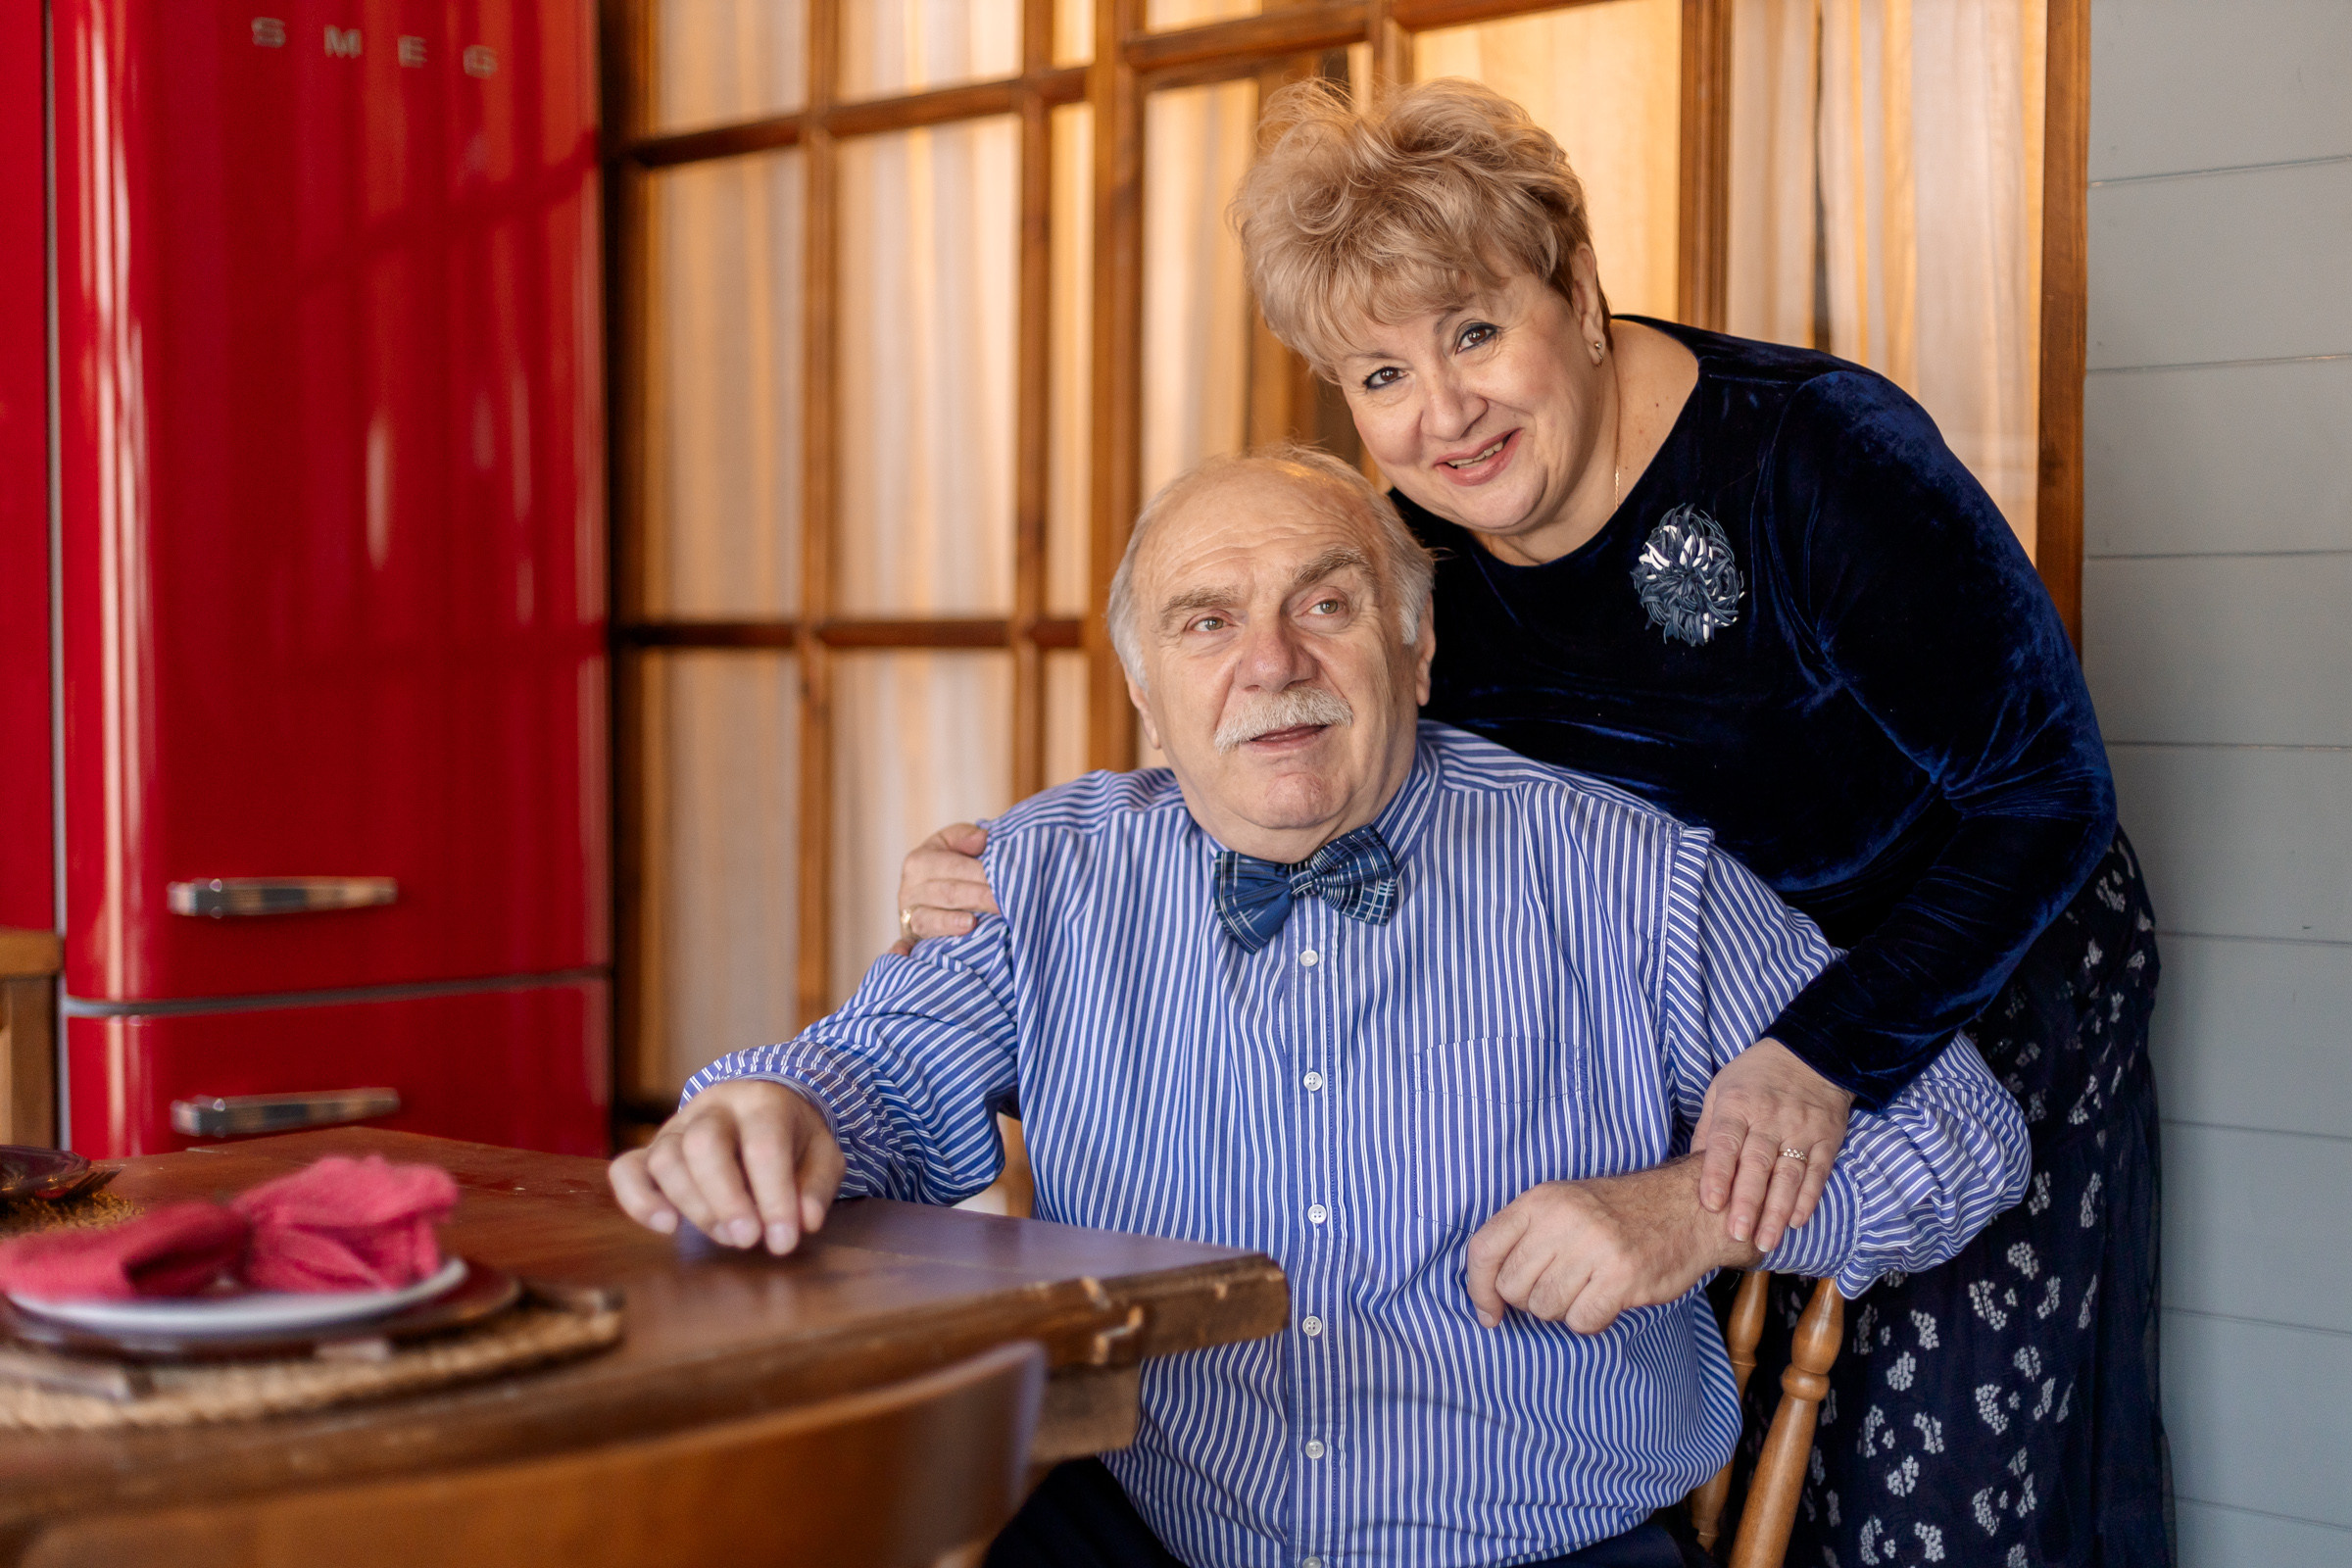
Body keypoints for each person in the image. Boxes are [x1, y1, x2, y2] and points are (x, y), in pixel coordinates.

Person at [896, 80, 2166, 1568]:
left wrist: (1826, 1052)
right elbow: (1296, 738)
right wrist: (1028, 863)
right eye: (1378, 376)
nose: (1438, 415)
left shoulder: (1809, 457)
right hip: (1712, 992)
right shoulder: (1423, 554)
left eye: (1475, 332)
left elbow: (2048, 791)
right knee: (1684, 1403)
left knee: (1915, 1492)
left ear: (1577, 287)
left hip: (1970, 963)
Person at [615, 450, 2031, 1568]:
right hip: (1146, 1525)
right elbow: (869, 1083)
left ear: (1414, 651)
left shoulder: (1625, 877)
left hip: (1533, 1545)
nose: (1273, 663)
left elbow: (1959, 1140)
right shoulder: (1046, 874)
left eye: (1326, 603)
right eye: (1207, 622)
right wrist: (773, 1109)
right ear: (1150, 701)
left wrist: (1688, 1215)